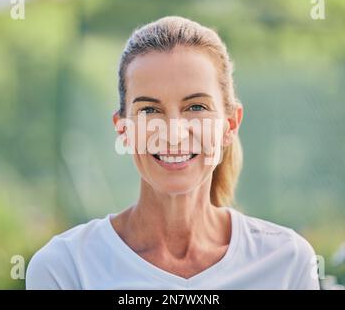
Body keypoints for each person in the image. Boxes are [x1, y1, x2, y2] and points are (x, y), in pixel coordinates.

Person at [26, 16, 320, 290]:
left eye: (196, 107)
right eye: (150, 110)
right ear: (124, 129)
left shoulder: (286, 262)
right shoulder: (65, 268)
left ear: (230, 124)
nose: (173, 133)